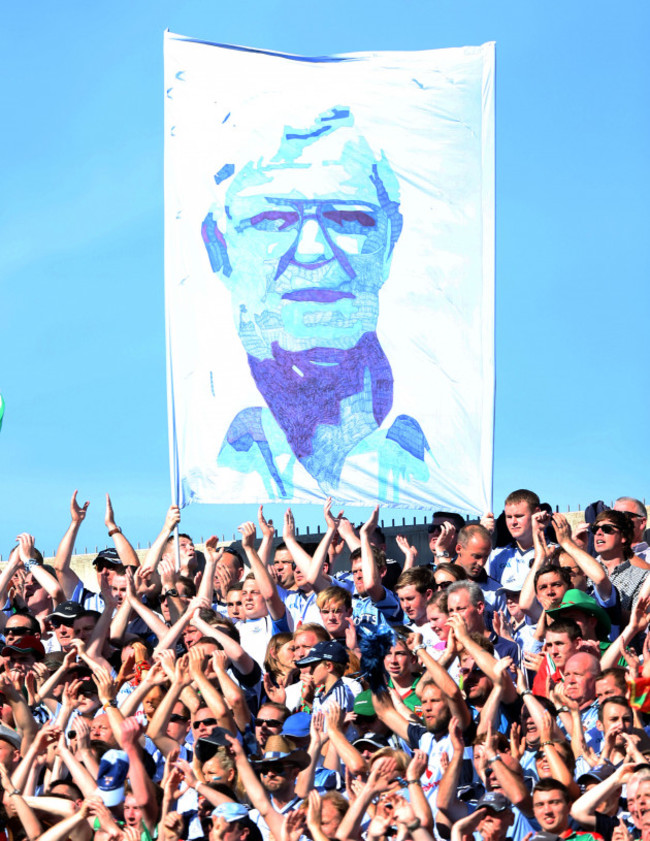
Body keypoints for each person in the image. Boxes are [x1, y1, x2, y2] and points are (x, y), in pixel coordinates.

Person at [202, 107, 435, 501]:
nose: (311, 250)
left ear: (387, 248)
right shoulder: (213, 466)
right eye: (274, 220)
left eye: (348, 218)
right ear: (220, 250)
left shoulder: (440, 459)